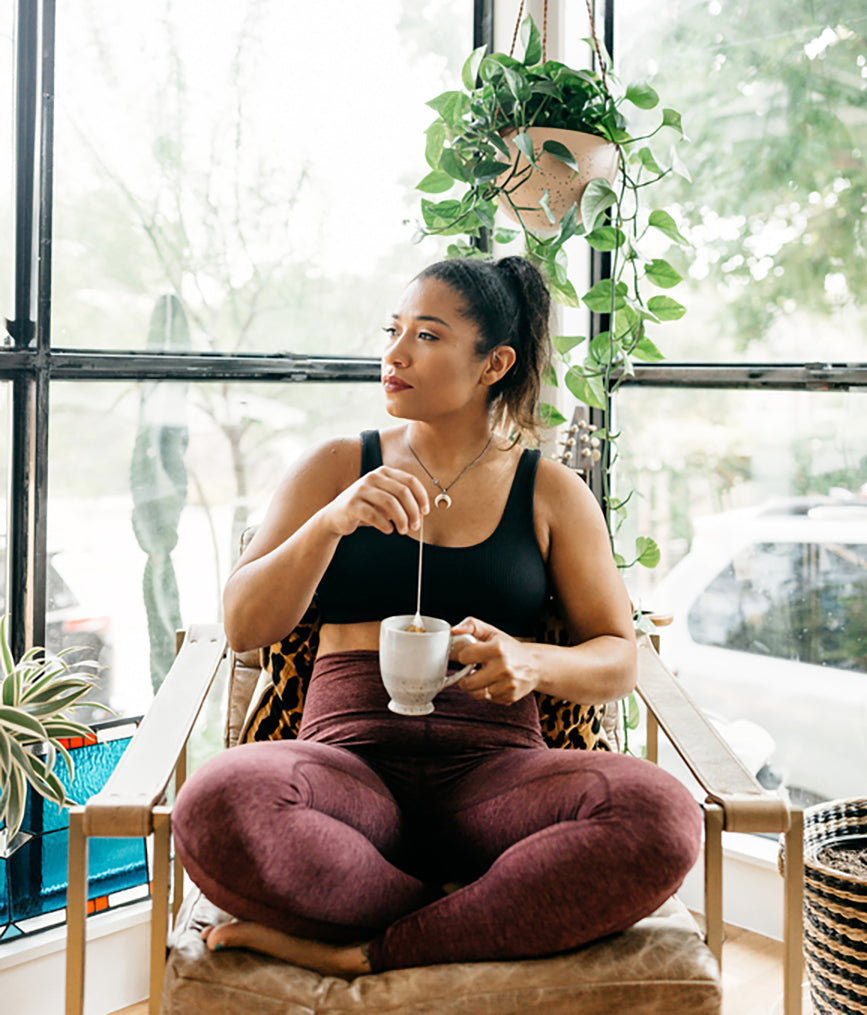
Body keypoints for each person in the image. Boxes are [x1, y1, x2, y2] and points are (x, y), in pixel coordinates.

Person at [172, 255, 701, 978]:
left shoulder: (550, 490)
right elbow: (243, 626)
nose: (393, 354)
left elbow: (617, 656)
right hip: (344, 769)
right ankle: (478, 911)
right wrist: (330, 523)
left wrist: (530, 660)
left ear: (494, 363)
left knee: (660, 815)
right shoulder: (334, 465)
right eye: (393, 330)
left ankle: (369, 946)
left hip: (499, 773)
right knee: (217, 800)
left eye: (426, 335)